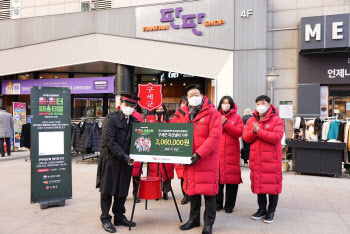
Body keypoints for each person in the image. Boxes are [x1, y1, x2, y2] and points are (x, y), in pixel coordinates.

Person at [172, 84, 222, 234]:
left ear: (202, 95)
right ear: (186, 98)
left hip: (206, 159)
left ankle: (208, 223)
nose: (193, 97)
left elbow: (215, 137)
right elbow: (173, 131)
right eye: (190, 95)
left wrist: (199, 154)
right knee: (192, 190)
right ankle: (194, 219)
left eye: (196, 94)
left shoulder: (213, 113)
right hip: (189, 159)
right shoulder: (181, 113)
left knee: (209, 192)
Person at [96, 94, 141, 233]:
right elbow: (109, 141)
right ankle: (105, 218)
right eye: (127, 105)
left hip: (126, 161)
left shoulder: (134, 120)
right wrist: (124, 156)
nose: (130, 108)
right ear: (121, 103)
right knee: (107, 190)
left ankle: (119, 216)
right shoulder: (111, 118)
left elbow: (139, 138)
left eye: (132, 106)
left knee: (122, 190)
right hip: (111, 160)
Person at [242, 95, 284, 224]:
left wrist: (259, 131)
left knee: (272, 185)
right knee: (259, 184)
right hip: (257, 158)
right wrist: (254, 132)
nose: (261, 105)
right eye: (258, 103)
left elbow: (276, 137)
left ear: (269, 105)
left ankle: (271, 211)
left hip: (271, 159)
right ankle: (261, 209)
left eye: (263, 103)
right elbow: (246, 137)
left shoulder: (277, 120)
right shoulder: (251, 121)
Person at [216, 96, 243, 213]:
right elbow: (213, 132)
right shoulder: (215, 116)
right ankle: (217, 204)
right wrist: (221, 124)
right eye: (223, 103)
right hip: (217, 153)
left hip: (232, 154)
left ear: (231, 105)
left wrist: (226, 123)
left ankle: (229, 205)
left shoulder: (237, 118)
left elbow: (238, 133)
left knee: (232, 181)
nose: (225, 105)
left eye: (227, 103)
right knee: (218, 180)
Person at [116, 105, 143, 204]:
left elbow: (141, 130)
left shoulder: (137, 116)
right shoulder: (116, 115)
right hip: (121, 149)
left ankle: (136, 194)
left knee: (136, 174)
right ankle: (123, 194)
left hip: (134, 147)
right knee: (122, 175)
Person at [148, 104, 175, 200]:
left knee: (166, 173)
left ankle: (165, 192)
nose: (160, 110)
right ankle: (156, 192)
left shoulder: (169, 121)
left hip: (165, 150)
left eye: (161, 109)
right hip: (154, 151)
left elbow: (169, 133)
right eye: (158, 109)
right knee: (155, 173)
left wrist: (163, 122)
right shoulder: (151, 120)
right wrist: (156, 121)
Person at [174, 96, 189, 205]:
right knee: (182, 173)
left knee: (192, 173)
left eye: (186, 103)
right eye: (182, 103)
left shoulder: (193, 113)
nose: (184, 105)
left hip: (191, 146)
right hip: (181, 146)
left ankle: (192, 194)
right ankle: (185, 194)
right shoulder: (177, 114)